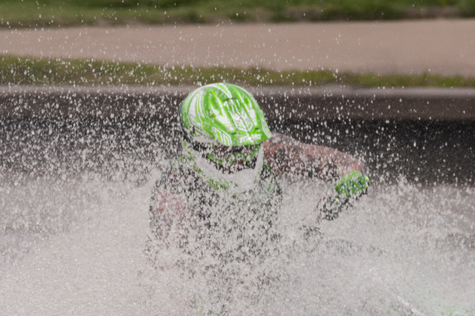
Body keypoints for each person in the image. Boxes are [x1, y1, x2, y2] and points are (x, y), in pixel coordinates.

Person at [149, 82, 370, 269]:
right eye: (227, 150)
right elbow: (165, 273)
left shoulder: (269, 150)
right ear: (197, 146)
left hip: (270, 262)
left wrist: (348, 183)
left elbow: (346, 164)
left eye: (248, 146)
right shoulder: (173, 192)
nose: (242, 159)